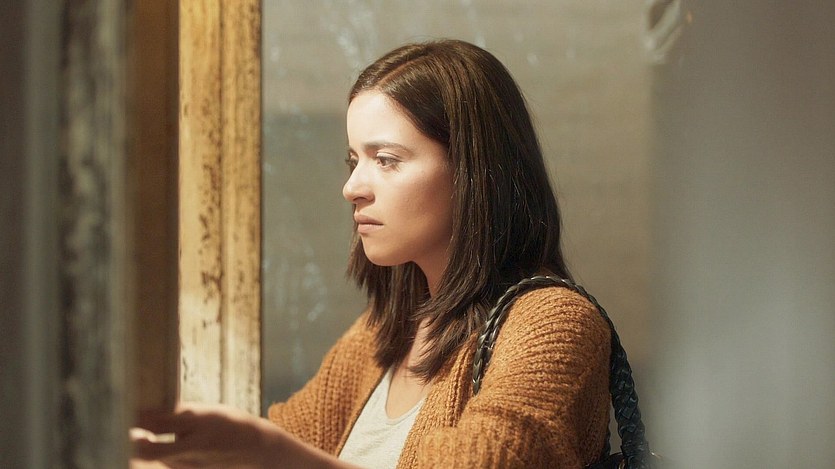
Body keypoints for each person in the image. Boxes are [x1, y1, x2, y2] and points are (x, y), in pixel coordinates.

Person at [133, 38, 611, 469]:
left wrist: (270, 453)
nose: (352, 188)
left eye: (386, 160)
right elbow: (292, 439)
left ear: (473, 171)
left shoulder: (555, 323)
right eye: (353, 160)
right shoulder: (383, 331)